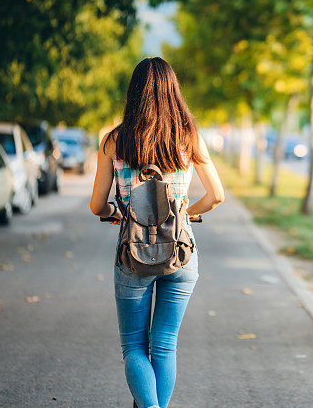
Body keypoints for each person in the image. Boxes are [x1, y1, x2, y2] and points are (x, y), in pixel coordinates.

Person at [90, 57, 225, 408]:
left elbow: (96, 205)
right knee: (164, 344)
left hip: (133, 254)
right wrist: (183, 212)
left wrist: (115, 214)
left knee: (134, 347)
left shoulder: (114, 141)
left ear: (133, 93)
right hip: (181, 253)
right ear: (173, 91)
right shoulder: (189, 137)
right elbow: (216, 196)